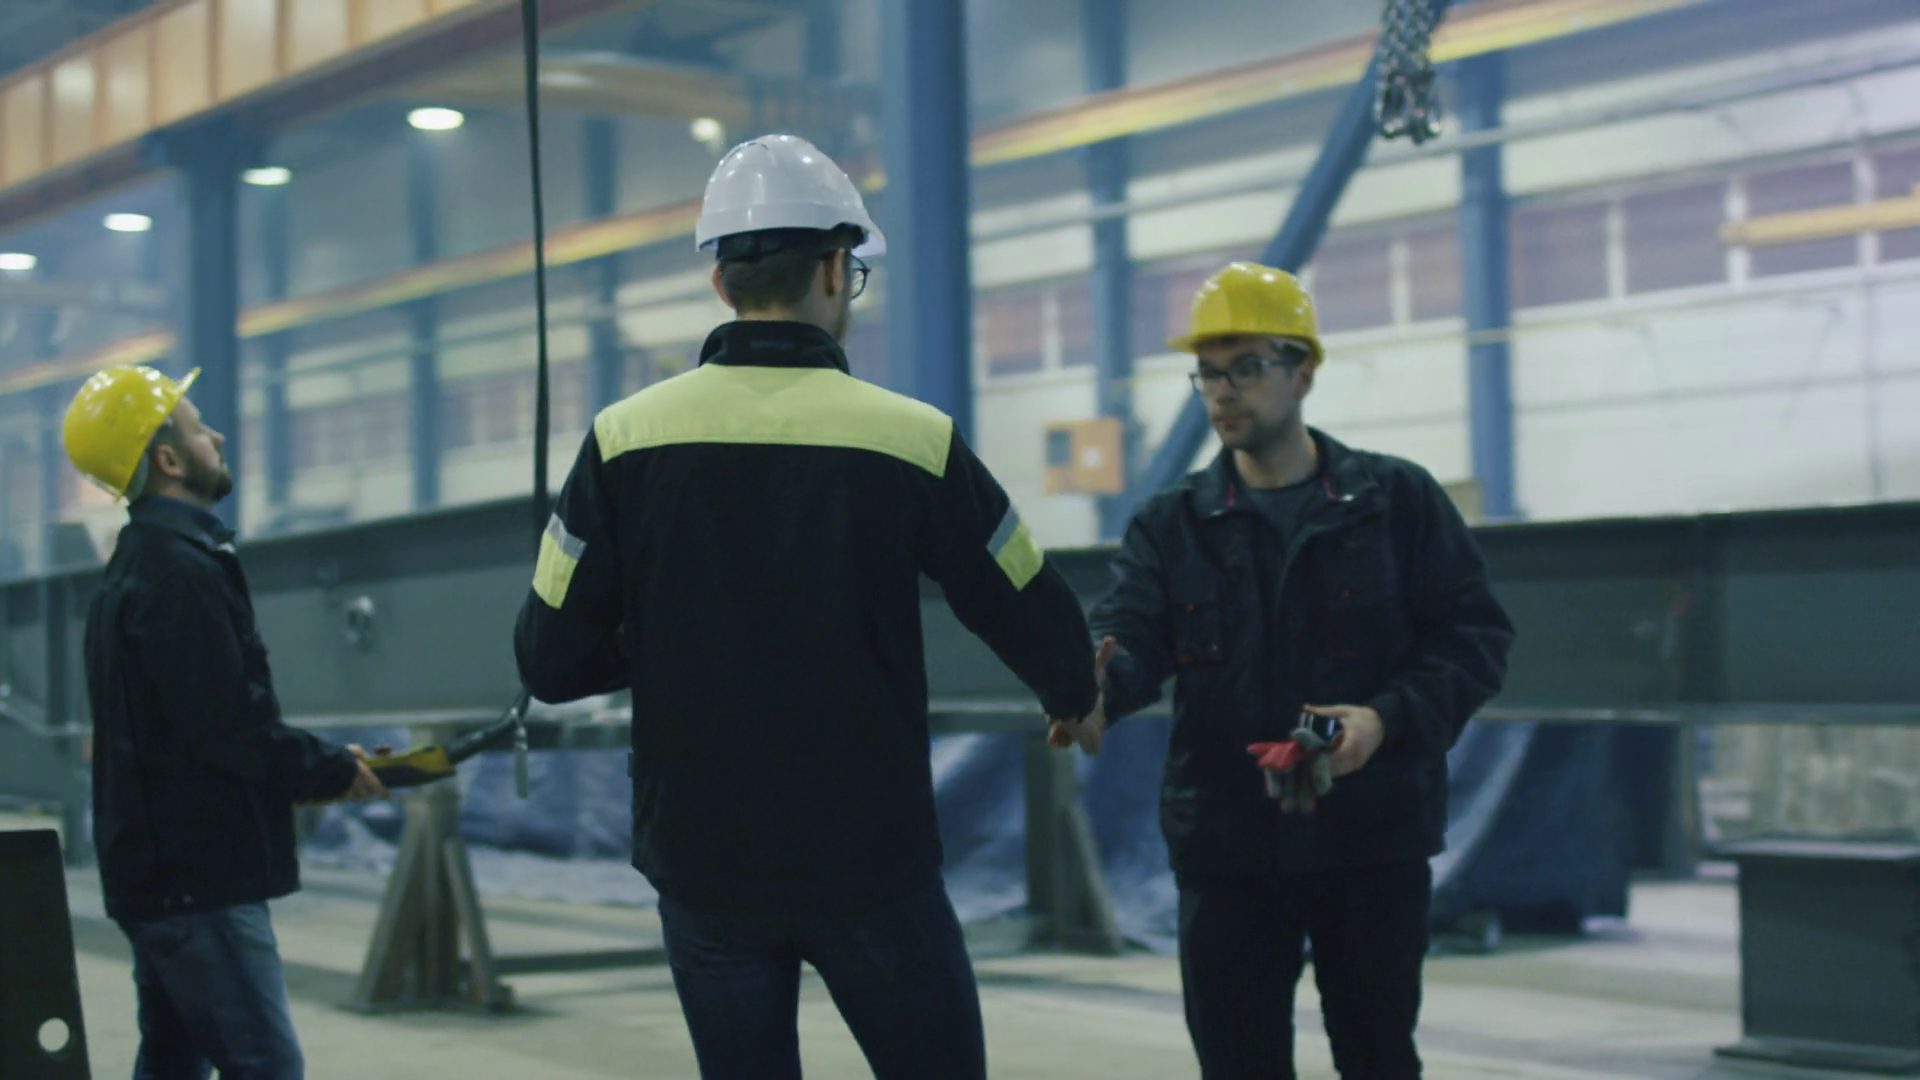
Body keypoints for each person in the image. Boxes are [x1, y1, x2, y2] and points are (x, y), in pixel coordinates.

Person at [513, 134, 1100, 1080]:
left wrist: (668, 635)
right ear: (834, 268)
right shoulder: (911, 440)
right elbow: (1019, 587)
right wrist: (1075, 692)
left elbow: (548, 657)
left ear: (722, 282)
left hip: (704, 862)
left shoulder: (622, 441)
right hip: (869, 859)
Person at [1050, 263, 1516, 1079]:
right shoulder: (1173, 524)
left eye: (1246, 368)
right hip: (1228, 845)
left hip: (1370, 839)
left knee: (1378, 1057)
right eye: (1207, 373)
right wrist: (1093, 692)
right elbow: (1133, 633)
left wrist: (1385, 719)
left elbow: (1473, 638)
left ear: (1303, 372)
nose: (1222, 392)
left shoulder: (1396, 502)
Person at [67, 365, 389, 1080]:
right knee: (264, 1066)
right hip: (197, 882)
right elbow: (226, 728)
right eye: (197, 429)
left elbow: (193, 726)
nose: (215, 437)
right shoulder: (177, 574)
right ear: (168, 460)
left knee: (173, 1064)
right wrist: (327, 769)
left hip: (163, 874)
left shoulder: (142, 565)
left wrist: (317, 766)